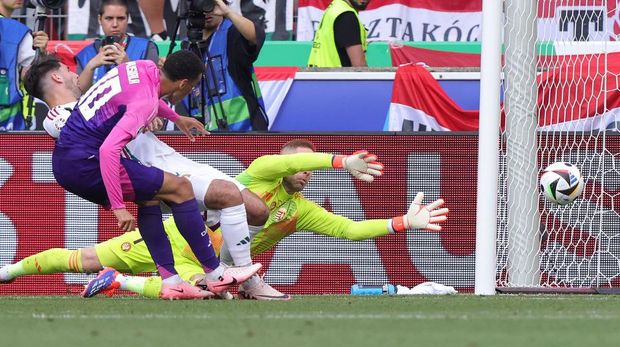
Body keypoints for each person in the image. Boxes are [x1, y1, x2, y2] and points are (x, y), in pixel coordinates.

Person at [24, 52, 262, 299]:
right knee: (181, 188)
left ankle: (171, 280)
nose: (74, 73)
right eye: (67, 68)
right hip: (88, 165)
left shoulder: (125, 80)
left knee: (150, 199)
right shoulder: (57, 117)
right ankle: (214, 272)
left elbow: (135, 94)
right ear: (56, 76)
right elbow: (106, 144)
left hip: (105, 162)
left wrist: (167, 116)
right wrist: (137, 117)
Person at [184, 0, 269, 131]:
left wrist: (228, 12)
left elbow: (256, 37)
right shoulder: (189, 45)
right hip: (206, 132)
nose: (207, 12)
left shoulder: (233, 33)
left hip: (244, 130)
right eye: (202, 6)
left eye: (211, 5)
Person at [75, 0, 159, 87]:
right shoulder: (86, 53)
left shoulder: (146, 47)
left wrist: (128, 66)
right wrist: (91, 66)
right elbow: (79, 93)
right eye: (109, 18)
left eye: (121, 18)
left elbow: (153, 88)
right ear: (100, 19)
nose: (115, 24)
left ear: (127, 19)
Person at [0, 0, 49, 130]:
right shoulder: (17, 32)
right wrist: (41, 54)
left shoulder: (17, 31)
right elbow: (34, 76)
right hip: (8, 122)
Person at [307, 0, 369, 67]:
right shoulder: (347, 16)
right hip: (336, 76)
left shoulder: (335, 8)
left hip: (321, 74)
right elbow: (360, 67)